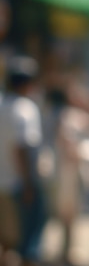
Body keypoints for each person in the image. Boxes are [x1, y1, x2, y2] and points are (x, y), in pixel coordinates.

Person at [0, 56, 47, 266]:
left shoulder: (2, 104)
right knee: (28, 240)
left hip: (3, 182)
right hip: (17, 184)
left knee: (5, 240)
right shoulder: (25, 108)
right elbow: (22, 148)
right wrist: (29, 183)